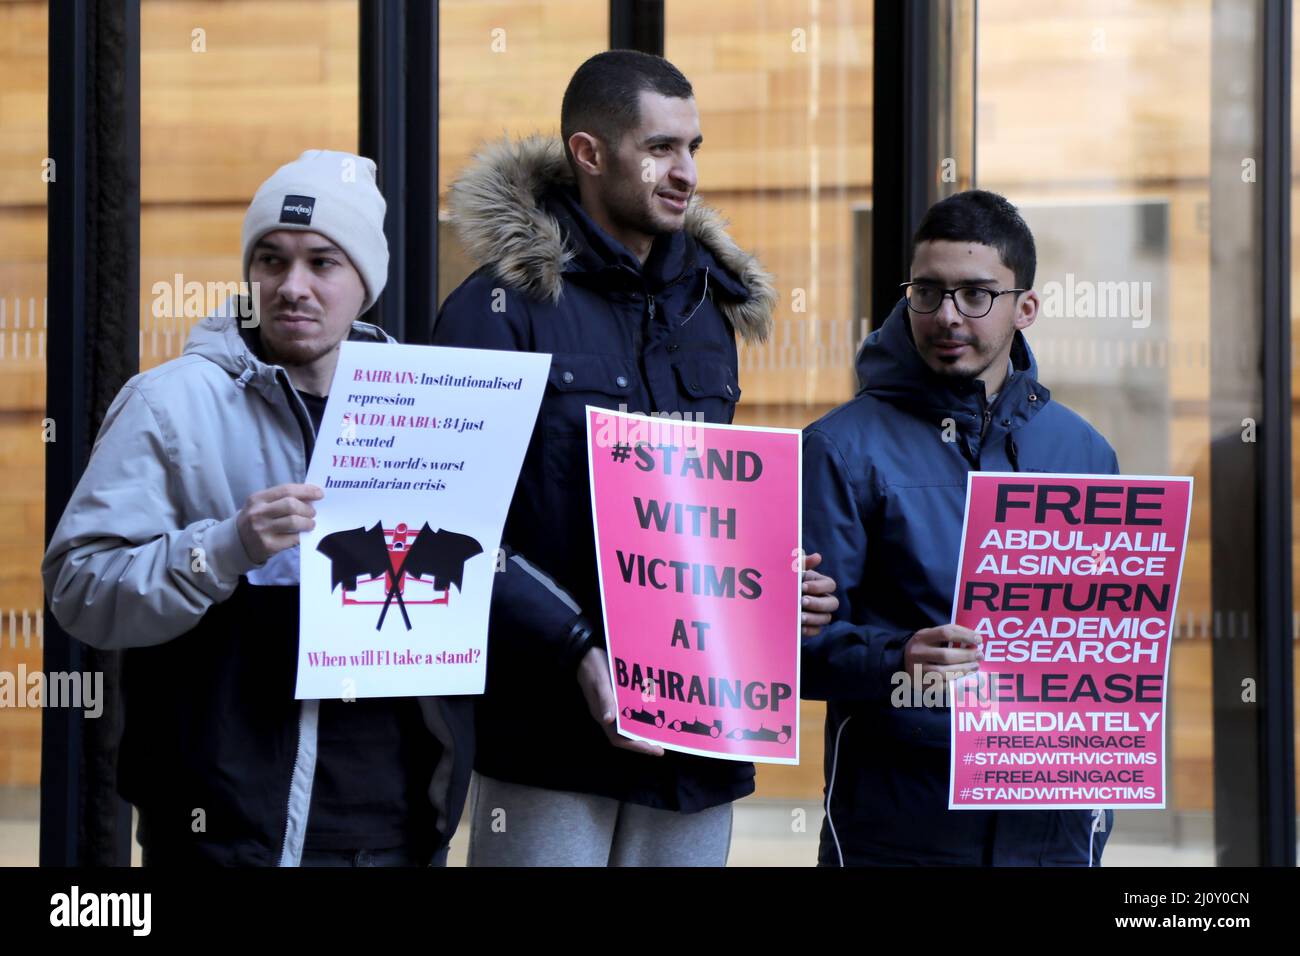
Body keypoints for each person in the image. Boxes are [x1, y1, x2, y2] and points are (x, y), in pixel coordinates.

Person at [42, 149, 594, 866]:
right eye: (271, 261)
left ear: (364, 283)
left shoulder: (429, 408)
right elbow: (79, 588)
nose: (291, 286)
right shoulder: (169, 404)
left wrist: (573, 642)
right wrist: (224, 548)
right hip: (222, 832)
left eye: (321, 263)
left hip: (393, 825)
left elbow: (483, 565)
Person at [433, 50, 839, 866]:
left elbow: (704, 511)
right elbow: (448, 526)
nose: (685, 171)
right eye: (660, 148)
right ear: (589, 153)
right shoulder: (497, 307)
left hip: (701, 728)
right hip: (550, 725)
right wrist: (577, 644)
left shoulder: (707, 310)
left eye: (693, 148)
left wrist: (764, 584)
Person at [801, 189, 1117, 866]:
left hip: (1052, 830)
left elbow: (1108, 643)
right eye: (928, 291)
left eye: (976, 294)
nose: (946, 315)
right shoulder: (839, 449)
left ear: (1024, 308)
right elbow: (795, 651)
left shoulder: (1087, 453)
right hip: (902, 828)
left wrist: (1098, 808)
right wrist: (898, 660)